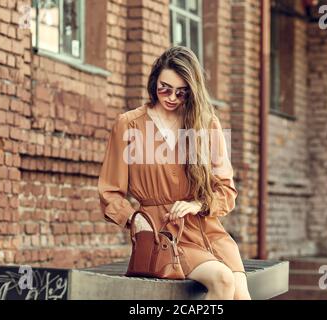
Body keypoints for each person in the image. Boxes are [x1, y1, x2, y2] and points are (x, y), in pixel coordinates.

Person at [98, 46, 251, 300]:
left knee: (241, 295)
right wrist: (133, 219)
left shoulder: (206, 123)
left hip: (208, 228)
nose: (171, 97)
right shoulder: (129, 124)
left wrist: (196, 204)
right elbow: (109, 192)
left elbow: (226, 190)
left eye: (181, 92)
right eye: (164, 88)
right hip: (164, 233)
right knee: (223, 280)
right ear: (153, 82)